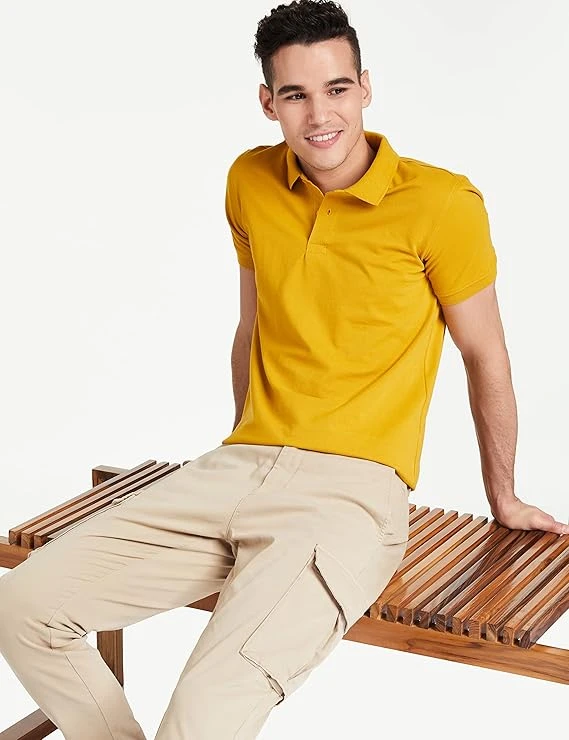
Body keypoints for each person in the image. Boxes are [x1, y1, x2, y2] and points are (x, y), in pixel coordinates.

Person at [1, 1, 567, 738]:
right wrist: (244, 438)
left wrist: (504, 495)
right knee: (25, 606)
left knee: (203, 713)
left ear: (365, 87)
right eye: (295, 94)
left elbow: (485, 353)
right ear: (268, 102)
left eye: (337, 88)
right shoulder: (249, 179)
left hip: (350, 494)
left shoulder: (441, 204)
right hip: (236, 468)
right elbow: (253, 324)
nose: (319, 114)